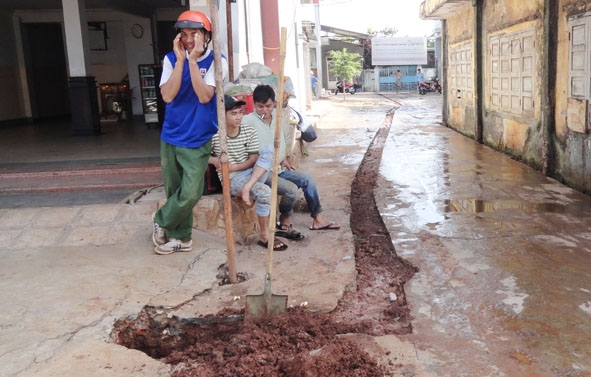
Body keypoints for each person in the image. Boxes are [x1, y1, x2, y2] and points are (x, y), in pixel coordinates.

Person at [152, 10, 229, 255]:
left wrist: (193, 62)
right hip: (171, 134)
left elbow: (205, 95)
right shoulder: (170, 59)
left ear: (206, 35)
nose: (188, 39)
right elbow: (168, 95)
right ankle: (182, 239)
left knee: (192, 191)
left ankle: (161, 219)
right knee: (174, 190)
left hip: (197, 137)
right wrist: (182, 61)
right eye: (183, 34)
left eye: (194, 33)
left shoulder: (218, 60)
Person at [242, 85, 340, 240]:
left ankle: (318, 219)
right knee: (291, 190)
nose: (264, 110)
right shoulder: (247, 121)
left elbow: (280, 140)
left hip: (279, 168)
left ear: (274, 103)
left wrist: (284, 159)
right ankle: (284, 219)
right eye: (260, 107)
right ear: (254, 104)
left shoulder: (278, 117)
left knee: (307, 179)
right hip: (261, 172)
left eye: (268, 106)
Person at [209, 95, 288, 251]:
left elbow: (253, 159)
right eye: (233, 113)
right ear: (221, 116)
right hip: (233, 180)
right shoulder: (215, 136)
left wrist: (235, 167)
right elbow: (201, 157)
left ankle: (248, 188)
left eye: (240, 112)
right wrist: (214, 161)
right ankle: (265, 236)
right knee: (265, 191)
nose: (239, 117)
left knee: (270, 150)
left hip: (253, 174)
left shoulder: (248, 131)